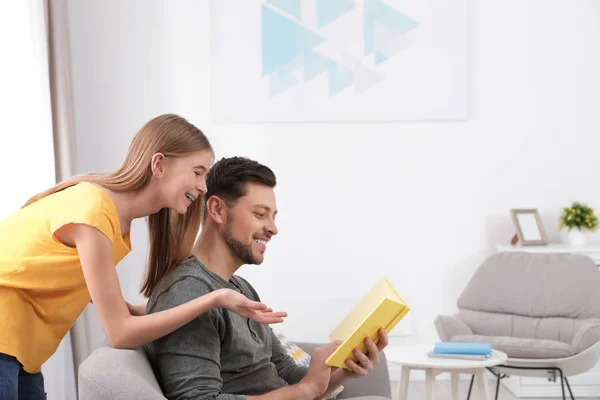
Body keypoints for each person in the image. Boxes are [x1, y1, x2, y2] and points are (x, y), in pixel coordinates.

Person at [0, 115, 286, 400]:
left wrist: (176, 303)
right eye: (197, 172)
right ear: (159, 165)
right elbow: (120, 333)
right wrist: (213, 299)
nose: (202, 186)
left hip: (22, 351)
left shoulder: (115, 223)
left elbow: (92, 296)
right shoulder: (93, 213)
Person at [147, 156, 389, 400]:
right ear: (217, 210)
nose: (273, 228)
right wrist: (306, 389)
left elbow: (287, 374)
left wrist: (343, 370)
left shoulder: (241, 290)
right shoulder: (190, 292)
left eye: (273, 216)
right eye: (260, 214)